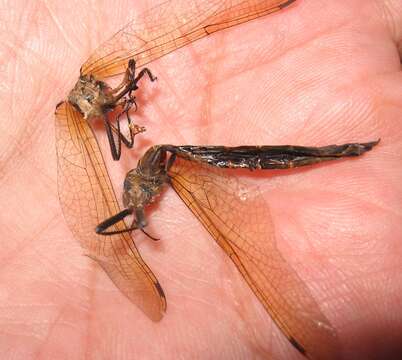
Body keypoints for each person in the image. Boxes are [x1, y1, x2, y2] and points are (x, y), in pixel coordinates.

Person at [1, 1, 401, 359]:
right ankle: (342, 151)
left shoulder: (109, 100)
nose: (121, 99)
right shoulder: (113, 135)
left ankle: (342, 150)